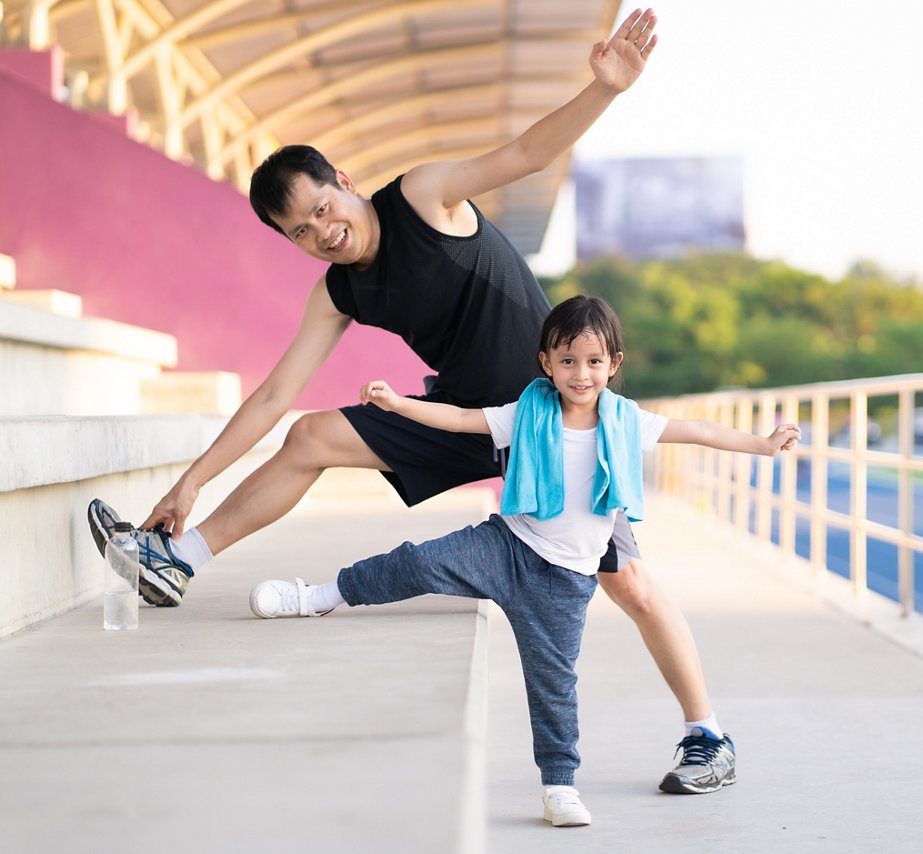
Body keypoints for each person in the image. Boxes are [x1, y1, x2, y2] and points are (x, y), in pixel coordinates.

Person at [81, 8, 739, 794]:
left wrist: (603, 91)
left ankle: (708, 735)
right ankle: (176, 561)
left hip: (545, 415)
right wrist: (190, 482)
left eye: (323, 207)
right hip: (463, 417)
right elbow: (272, 395)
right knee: (308, 435)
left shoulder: (424, 195)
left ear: (346, 183)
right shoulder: (338, 291)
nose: (322, 231)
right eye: (299, 230)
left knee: (624, 579)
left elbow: (527, 152)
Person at [247, 296, 800, 826]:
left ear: (614, 365)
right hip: (506, 547)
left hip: (567, 581)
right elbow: (460, 420)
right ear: (546, 362)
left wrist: (762, 444)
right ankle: (319, 596)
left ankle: (560, 787)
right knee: (414, 562)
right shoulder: (527, 410)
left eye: (593, 362)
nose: (580, 374)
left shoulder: (626, 420)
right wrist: (397, 405)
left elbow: (696, 431)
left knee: (553, 686)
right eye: (567, 361)